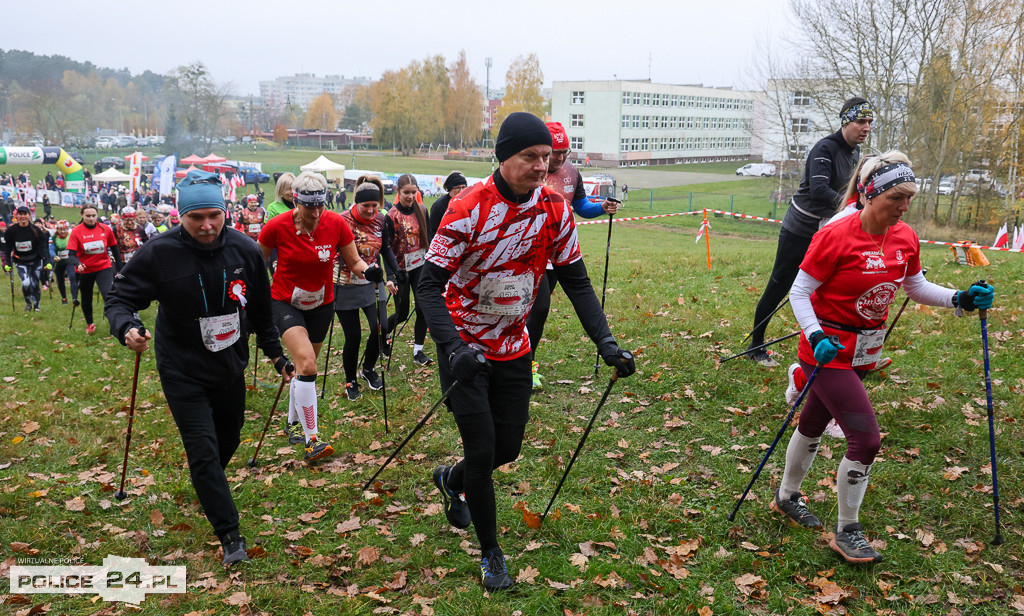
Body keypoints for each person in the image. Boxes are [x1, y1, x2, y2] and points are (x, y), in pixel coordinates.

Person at [418, 112, 636, 591]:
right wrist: (452, 347)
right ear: (503, 157)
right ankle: (492, 554)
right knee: (481, 450)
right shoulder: (467, 207)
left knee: (507, 448)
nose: (542, 167)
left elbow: (577, 283)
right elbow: (428, 286)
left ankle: (451, 481)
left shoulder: (554, 209)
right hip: (466, 350)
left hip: (514, 346)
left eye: (548, 158)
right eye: (530, 157)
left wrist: (606, 343)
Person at [772, 151, 996, 564]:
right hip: (827, 351)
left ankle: (786, 497)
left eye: (910, 197)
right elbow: (799, 292)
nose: (905, 206)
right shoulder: (836, 234)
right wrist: (816, 334)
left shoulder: (904, 236)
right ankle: (848, 531)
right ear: (871, 194)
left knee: (813, 423)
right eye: (897, 197)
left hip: (863, 349)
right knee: (867, 439)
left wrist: (959, 298)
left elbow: (916, 287)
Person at [105, 169, 293, 567]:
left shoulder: (246, 251)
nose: (207, 225)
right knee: (203, 452)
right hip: (182, 367)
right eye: (196, 218)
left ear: (225, 211)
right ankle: (230, 535)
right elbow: (119, 299)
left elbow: (261, 310)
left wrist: (276, 354)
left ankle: (209, 485)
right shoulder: (159, 252)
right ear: (180, 216)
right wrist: (127, 329)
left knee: (228, 441)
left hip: (229, 365)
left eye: (214, 215)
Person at [257, 171, 383, 461]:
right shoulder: (276, 226)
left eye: (320, 206)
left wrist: (369, 271)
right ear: (296, 201)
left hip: (321, 303)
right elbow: (255, 261)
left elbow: (354, 261)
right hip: (285, 302)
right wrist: (252, 296)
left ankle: (291, 423)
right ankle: (312, 438)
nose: (316, 213)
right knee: (309, 364)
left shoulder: (335, 223)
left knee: (304, 369)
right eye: (309, 207)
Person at [746, 97, 873, 366]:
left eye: (870, 122)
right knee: (780, 285)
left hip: (828, 229)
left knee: (829, 288)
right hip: (800, 228)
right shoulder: (824, 148)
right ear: (846, 122)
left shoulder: (854, 152)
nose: (867, 127)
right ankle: (756, 345)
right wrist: (856, 207)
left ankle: (833, 346)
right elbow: (819, 191)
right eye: (861, 121)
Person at [527, 122, 620, 387]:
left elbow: (579, 205)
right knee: (540, 307)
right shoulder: (533, 172)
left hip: (560, 252)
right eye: (555, 152)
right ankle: (526, 363)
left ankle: (524, 359)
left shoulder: (571, 172)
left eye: (564, 152)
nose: (559, 157)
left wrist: (601, 206)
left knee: (537, 311)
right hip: (532, 253)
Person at [330, 176, 400, 403]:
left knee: (380, 327)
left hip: (373, 282)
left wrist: (396, 272)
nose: (371, 211)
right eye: (365, 206)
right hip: (345, 284)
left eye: (374, 206)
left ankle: (368, 368)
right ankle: (351, 380)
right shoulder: (341, 220)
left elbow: (386, 248)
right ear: (356, 203)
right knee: (353, 337)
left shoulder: (381, 219)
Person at [385, 175, 433, 365]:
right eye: (407, 192)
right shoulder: (391, 216)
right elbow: (386, 247)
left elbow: (428, 238)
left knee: (423, 309)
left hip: (420, 267)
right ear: (398, 191)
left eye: (414, 192)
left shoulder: (422, 210)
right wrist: (391, 275)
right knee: (402, 313)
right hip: (400, 270)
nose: (411, 196)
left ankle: (418, 351)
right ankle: (384, 334)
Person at [67, 205, 120, 334]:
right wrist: (77, 263)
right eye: (88, 216)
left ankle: (114, 323)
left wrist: (120, 268)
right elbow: (71, 255)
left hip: (104, 266)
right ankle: (90, 323)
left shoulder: (106, 229)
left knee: (108, 295)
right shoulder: (76, 231)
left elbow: (115, 249)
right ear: (82, 216)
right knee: (86, 297)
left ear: (97, 215)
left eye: (93, 216)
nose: (91, 218)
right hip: (85, 269)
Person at [2, 206, 50, 311]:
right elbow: (8, 249)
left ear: (29, 215)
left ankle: (37, 306)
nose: (23, 216)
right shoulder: (11, 231)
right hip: (20, 261)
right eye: (20, 214)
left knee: (34, 283)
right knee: (26, 283)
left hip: (36, 261)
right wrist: (8, 264)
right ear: (17, 215)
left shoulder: (35, 230)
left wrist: (46, 261)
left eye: (25, 214)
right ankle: (28, 302)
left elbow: (43, 246)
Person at [426, 171, 468, 241]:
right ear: (449, 188)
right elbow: (432, 231)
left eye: (463, 187)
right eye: (457, 188)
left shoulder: (468, 203)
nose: (461, 191)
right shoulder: (439, 206)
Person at [51, 220, 78, 306]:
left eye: (64, 229)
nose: (63, 232)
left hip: (69, 260)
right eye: (60, 230)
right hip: (58, 262)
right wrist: (54, 256)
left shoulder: (71, 236)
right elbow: (51, 249)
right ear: (57, 230)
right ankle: (64, 298)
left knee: (73, 277)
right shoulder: (54, 237)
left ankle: (74, 298)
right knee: (60, 280)